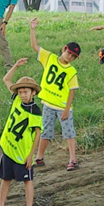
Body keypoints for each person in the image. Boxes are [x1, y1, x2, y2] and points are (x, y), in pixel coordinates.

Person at [0, 63, 43, 206]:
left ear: (33, 92)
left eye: (25, 92)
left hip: (23, 152)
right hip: (8, 147)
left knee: (27, 180)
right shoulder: (16, 99)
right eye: (20, 92)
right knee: (5, 178)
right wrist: (15, 65)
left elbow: (37, 133)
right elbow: (7, 79)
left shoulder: (35, 110)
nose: (22, 95)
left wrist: (31, 155)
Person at [28, 18, 80, 171]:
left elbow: (72, 91)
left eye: (73, 57)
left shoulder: (71, 71)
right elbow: (34, 46)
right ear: (64, 49)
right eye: (69, 53)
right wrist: (32, 29)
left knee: (69, 133)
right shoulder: (49, 58)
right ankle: (39, 157)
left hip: (63, 106)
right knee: (45, 131)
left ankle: (73, 159)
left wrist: (66, 109)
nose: (70, 58)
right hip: (48, 104)